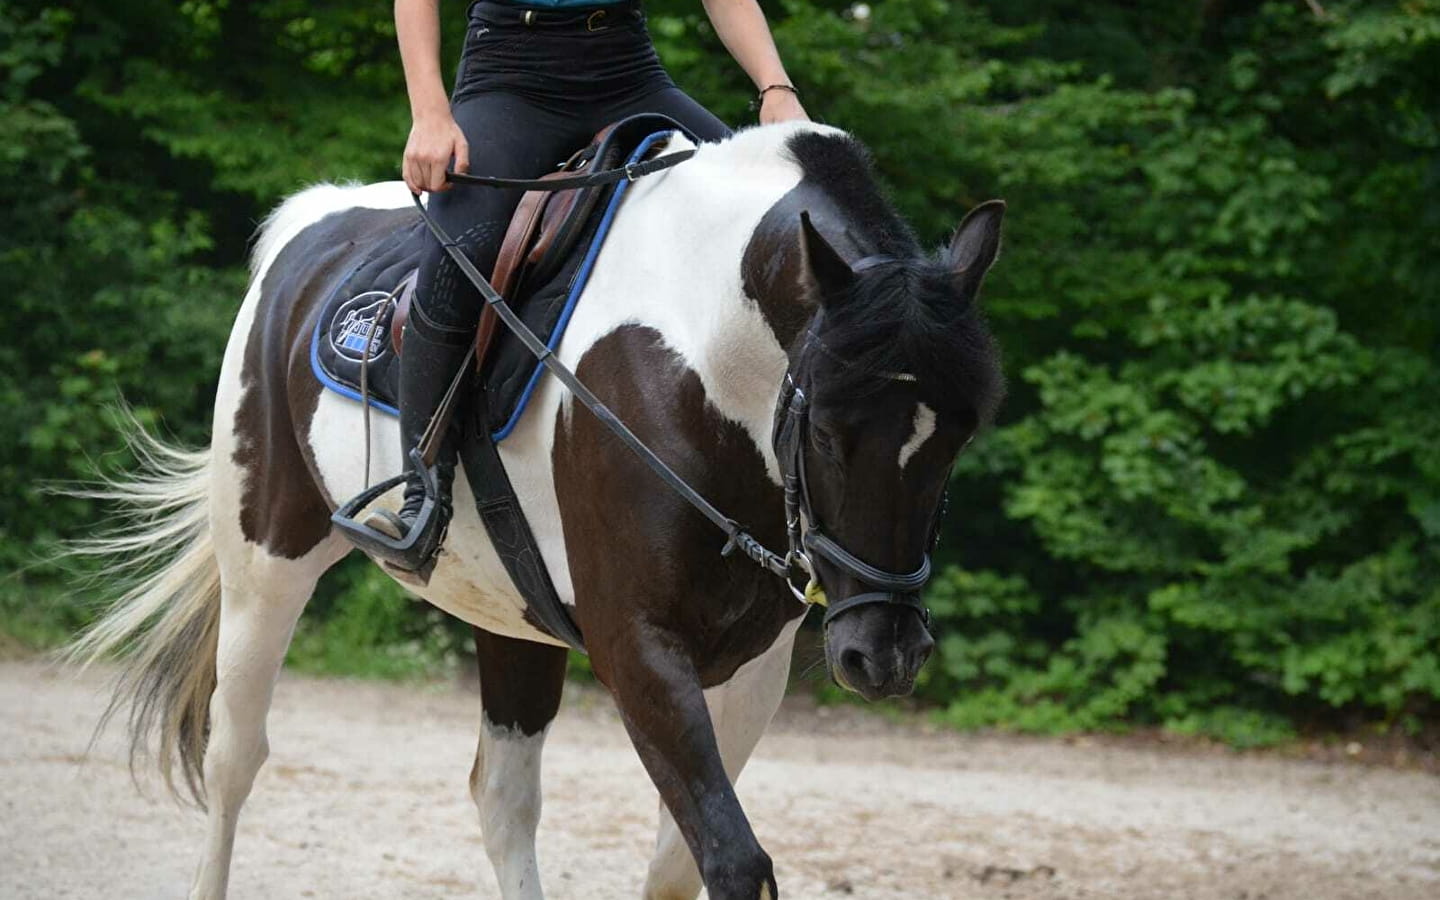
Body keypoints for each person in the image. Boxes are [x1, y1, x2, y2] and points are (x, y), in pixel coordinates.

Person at [362, 0, 808, 569]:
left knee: (772, 216)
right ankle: (424, 491)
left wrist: (775, 88)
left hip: (627, 69)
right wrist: (429, 113)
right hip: (510, 75)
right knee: (464, 247)